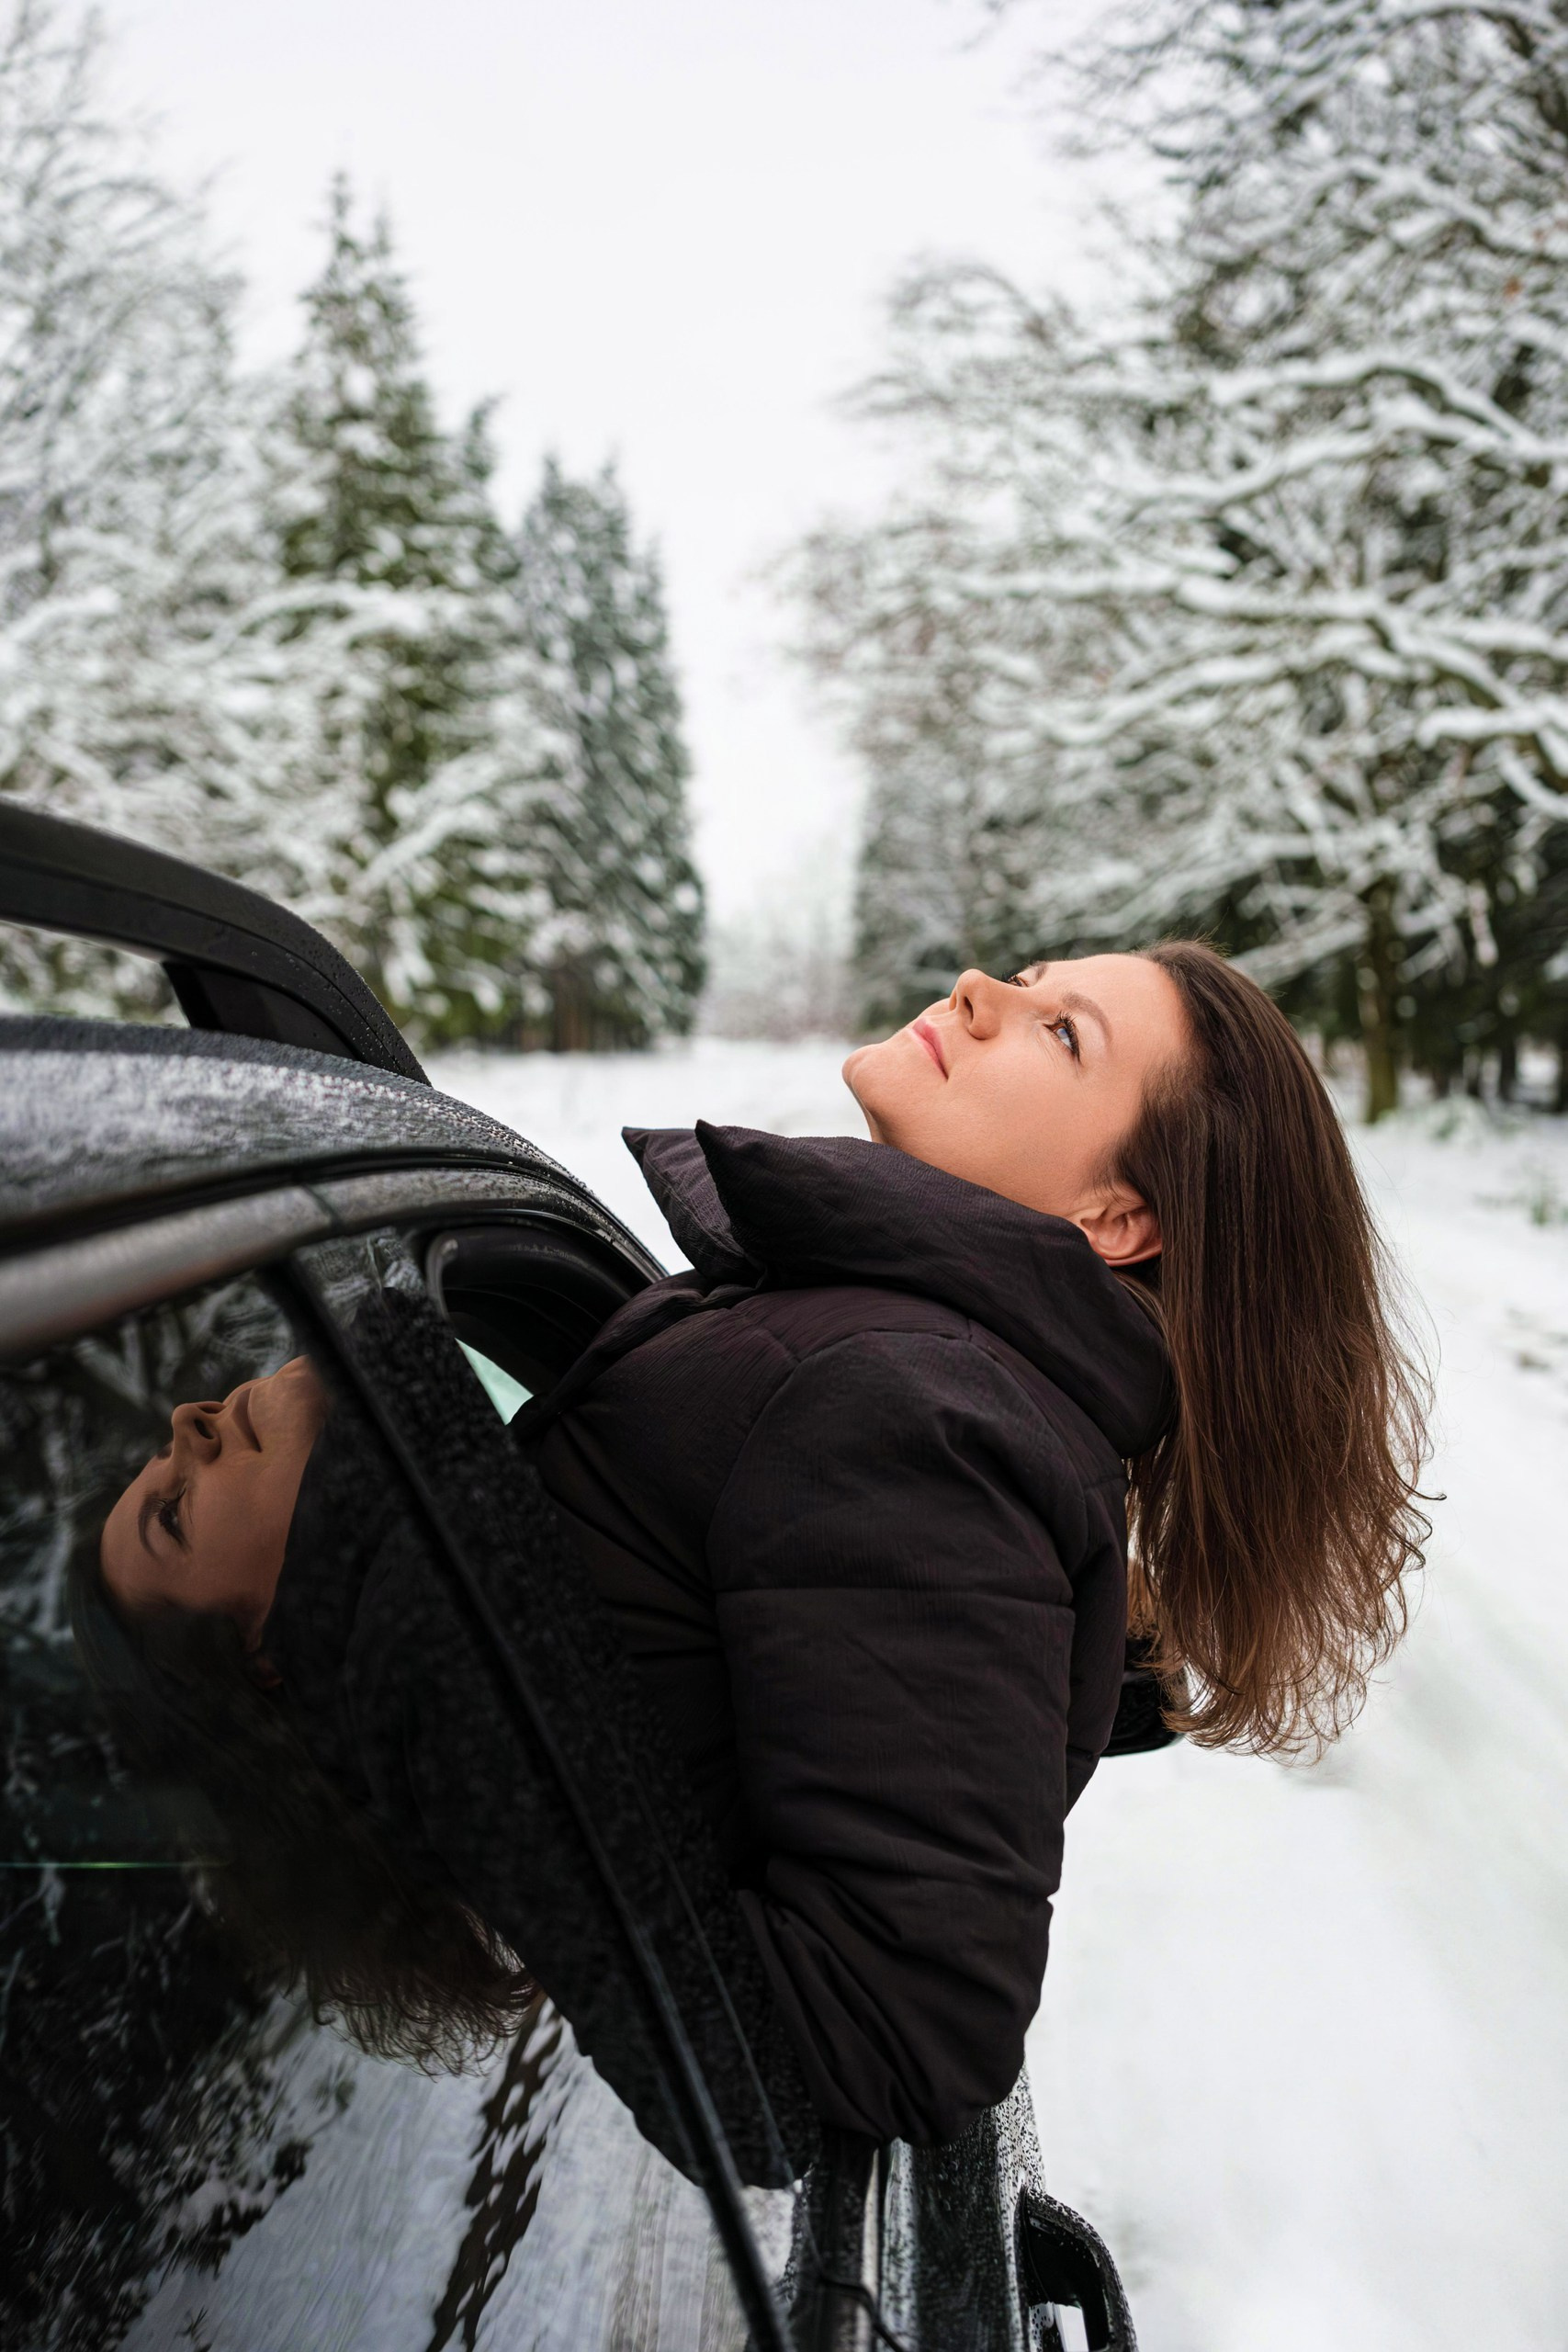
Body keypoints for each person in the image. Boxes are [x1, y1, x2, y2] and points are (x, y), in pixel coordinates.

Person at [92, 944, 1429, 2154]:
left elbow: (889, 2039)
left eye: (1061, 1033)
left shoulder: (918, 1412)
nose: (976, 988)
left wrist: (412, 1614)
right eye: (1026, 976)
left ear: (1116, 1217)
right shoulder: (872, 1343)